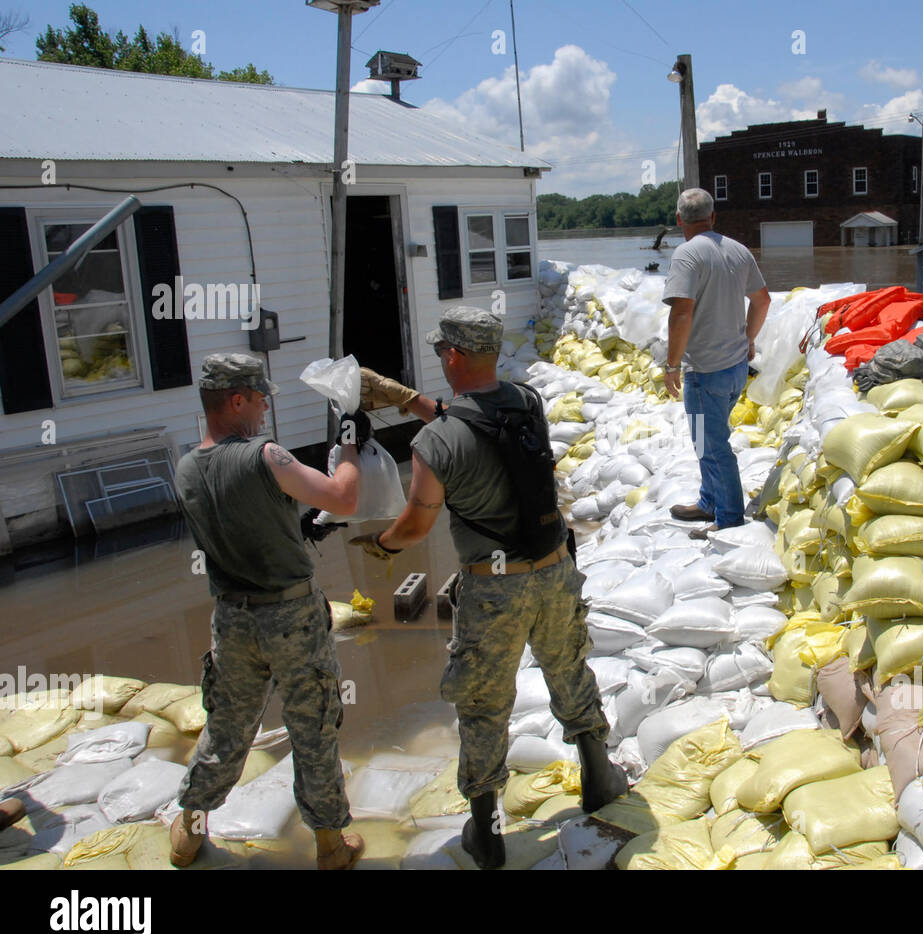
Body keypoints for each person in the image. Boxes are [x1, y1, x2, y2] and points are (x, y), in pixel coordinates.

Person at [351, 308, 628, 870]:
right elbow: (482, 425)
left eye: (440, 354)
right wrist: (407, 398)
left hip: (494, 590)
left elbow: (417, 525)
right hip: (553, 572)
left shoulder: (435, 443)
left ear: (452, 355)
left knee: (483, 705)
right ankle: (599, 780)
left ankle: (487, 833)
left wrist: (381, 545)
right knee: (569, 668)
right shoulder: (528, 404)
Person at [169, 353, 367, 870]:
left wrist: (289, 529)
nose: (263, 410)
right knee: (313, 725)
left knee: (227, 726)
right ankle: (330, 845)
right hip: (291, 617)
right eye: (259, 399)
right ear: (237, 399)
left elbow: (241, 525)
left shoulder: (186, 467)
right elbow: (343, 498)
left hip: (232, 619)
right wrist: (348, 441)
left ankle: (188, 832)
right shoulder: (265, 455)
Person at [661, 187, 771, 537]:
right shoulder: (738, 250)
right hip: (735, 367)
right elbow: (763, 301)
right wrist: (749, 339)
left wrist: (671, 365)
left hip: (705, 372)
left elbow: (681, 313)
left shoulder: (686, 255)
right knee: (706, 439)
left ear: (679, 219)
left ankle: (728, 521)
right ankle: (709, 501)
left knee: (713, 446)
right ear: (713, 217)